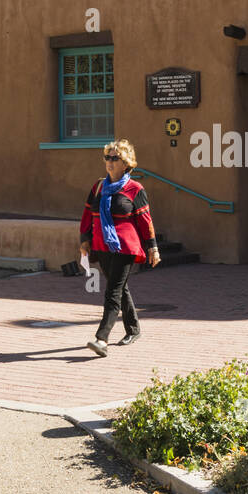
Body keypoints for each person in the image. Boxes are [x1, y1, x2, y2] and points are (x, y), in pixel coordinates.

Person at [78, 139, 160, 356]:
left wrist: (153, 247)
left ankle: (101, 339)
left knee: (112, 291)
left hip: (125, 246)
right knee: (119, 288)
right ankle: (133, 329)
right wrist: (84, 240)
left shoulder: (135, 189)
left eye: (115, 158)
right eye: (108, 157)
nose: (110, 162)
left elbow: (145, 221)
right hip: (101, 244)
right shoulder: (98, 186)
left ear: (126, 163)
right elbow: (88, 214)